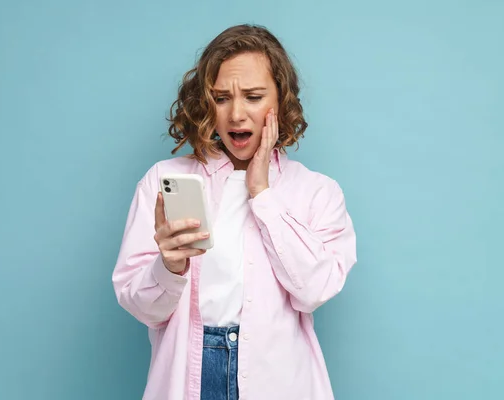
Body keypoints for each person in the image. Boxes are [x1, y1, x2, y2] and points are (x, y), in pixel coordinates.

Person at [112, 24, 357, 400]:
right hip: (190, 373)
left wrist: (262, 194)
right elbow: (142, 307)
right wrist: (170, 266)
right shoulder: (164, 180)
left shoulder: (316, 192)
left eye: (254, 96)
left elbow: (314, 291)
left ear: (281, 101)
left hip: (278, 378)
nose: (236, 114)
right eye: (222, 97)